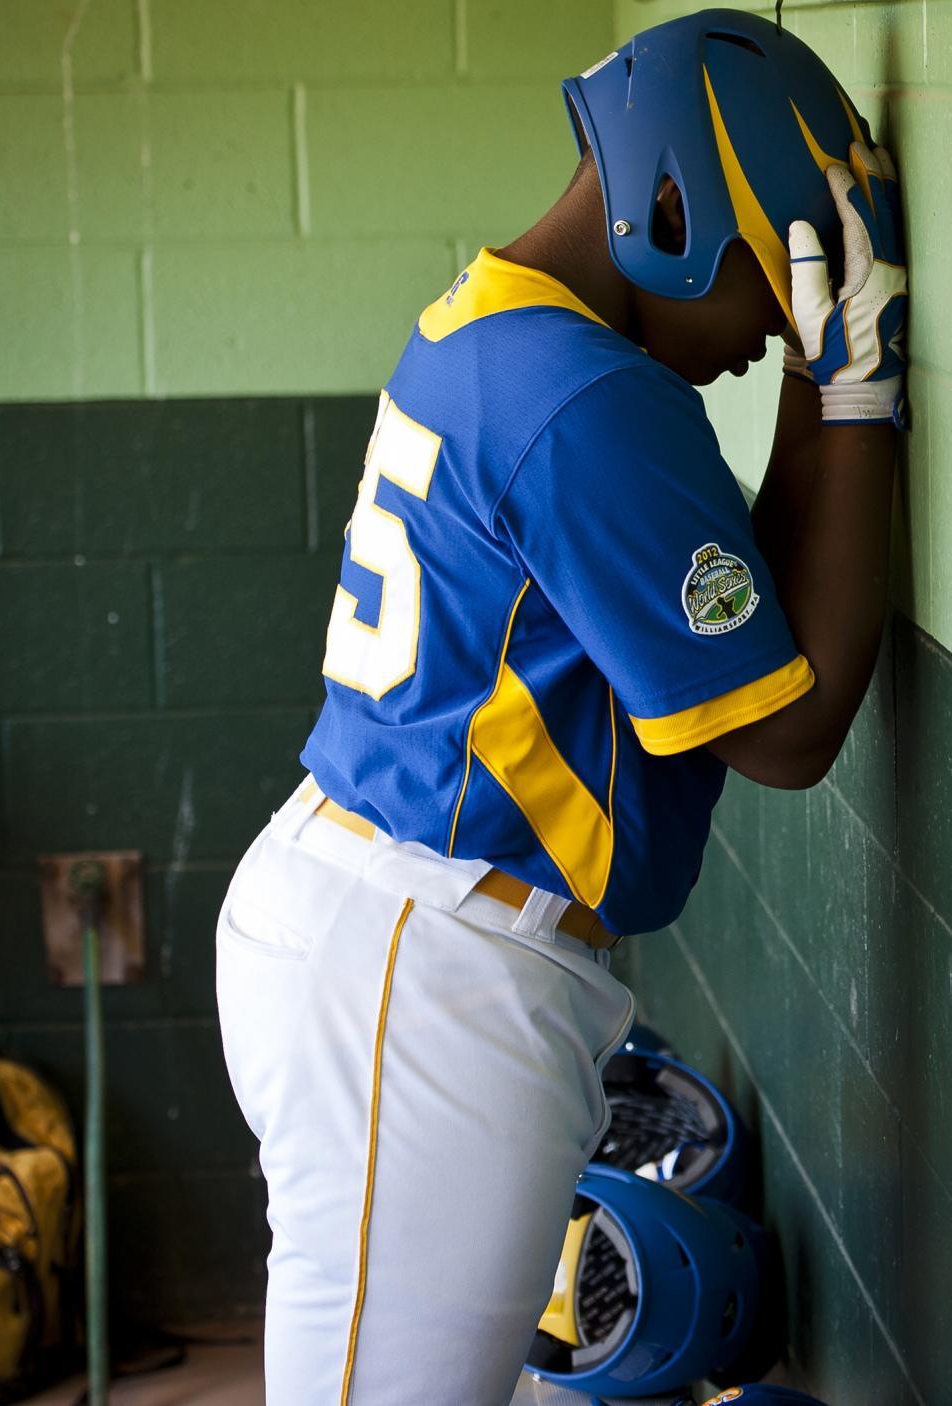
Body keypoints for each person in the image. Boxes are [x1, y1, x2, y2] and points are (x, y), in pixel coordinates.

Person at [215, 10, 907, 1406]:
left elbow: (746, 637)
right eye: (765, 294)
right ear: (671, 203)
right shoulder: (585, 393)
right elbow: (785, 730)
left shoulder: (495, 321)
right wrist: (853, 401)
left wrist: (822, 390)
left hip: (388, 926)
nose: (761, 337)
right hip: (422, 966)